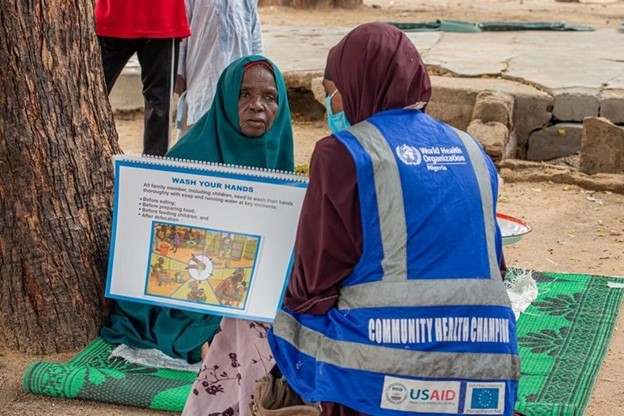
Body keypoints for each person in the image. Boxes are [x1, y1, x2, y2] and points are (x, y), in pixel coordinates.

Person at [267, 22, 520, 416]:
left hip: (381, 374)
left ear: (355, 84)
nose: (331, 107)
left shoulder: (343, 154)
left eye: (331, 93)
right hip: (486, 365)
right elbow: (497, 267)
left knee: (283, 317)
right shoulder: (473, 150)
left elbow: (315, 282)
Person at [100, 55, 294, 366]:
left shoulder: (279, 157)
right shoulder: (188, 157)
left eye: (269, 97)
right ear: (226, 99)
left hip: (247, 286)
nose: (257, 105)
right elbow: (152, 256)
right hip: (187, 288)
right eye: (244, 95)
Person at [94, 0, 189, 156]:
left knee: (160, 105)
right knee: (88, 94)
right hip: (114, 13)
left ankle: (153, 171)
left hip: (162, 16)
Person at [175, 0, 263, 138]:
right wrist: (178, 72)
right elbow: (181, 32)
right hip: (201, 78)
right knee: (197, 133)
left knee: (235, 125)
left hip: (239, 77)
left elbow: (255, 35)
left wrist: (258, 71)